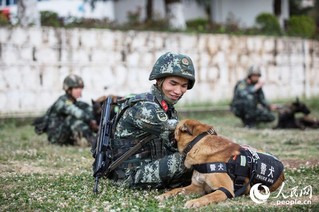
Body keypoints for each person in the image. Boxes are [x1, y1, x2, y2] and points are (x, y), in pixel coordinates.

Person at [105, 52, 195, 189]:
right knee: (192, 158)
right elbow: (186, 135)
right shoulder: (146, 108)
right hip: (129, 176)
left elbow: (174, 144)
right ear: (159, 80)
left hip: (148, 166)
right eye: (173, 83)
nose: (178, 91)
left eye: (184, 85)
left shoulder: (166, 107)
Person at [33, 74, 98, 146]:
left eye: (80, 88)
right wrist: (91, 121)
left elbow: (89, 109)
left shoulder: (75, 102)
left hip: (66, 136)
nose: (79, 91)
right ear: (69, 90)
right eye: (76, 88)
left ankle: (93, 140)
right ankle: (94, 141)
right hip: (56, 136)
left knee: (84, 108)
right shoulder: (62, 101)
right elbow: (78, 113)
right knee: (73, 120)